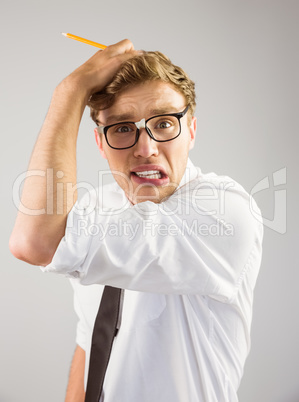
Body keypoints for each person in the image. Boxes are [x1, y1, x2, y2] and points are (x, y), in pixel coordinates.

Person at [9, 39, 263, 402]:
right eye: (123, 128)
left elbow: (33, 242)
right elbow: (90, 341)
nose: (145, 148)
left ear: (191, 130)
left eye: (163, 123)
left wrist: (70, 90)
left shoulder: (224, 212)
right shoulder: (97, 208)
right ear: (100, 143)